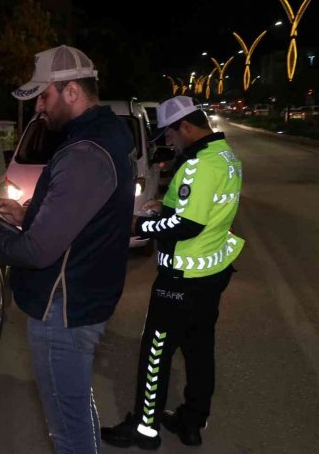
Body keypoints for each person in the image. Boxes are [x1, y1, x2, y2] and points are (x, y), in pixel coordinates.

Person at [0, 45, 135, 454]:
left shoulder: (84, 152)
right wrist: (26, 210)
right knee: (77, 407)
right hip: (81, 298)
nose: (39, 107)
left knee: (68, 427)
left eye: (44, 96)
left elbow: (39, 251)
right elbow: (80, 213)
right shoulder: (101, 135)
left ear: (72, 91)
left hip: (63, 309)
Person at [101, 96, 245, 449]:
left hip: (181, 279)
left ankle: (144, 430)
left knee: (156, 351)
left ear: (186, 126)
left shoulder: (198, 165)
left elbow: (186, 225)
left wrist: (140, 224)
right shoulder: (226, 157)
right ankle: (192, 422)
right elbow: (202, 207)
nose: (168, 142)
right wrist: (163, 205)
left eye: (169, 134)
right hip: (212, 273)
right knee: (199, 350)